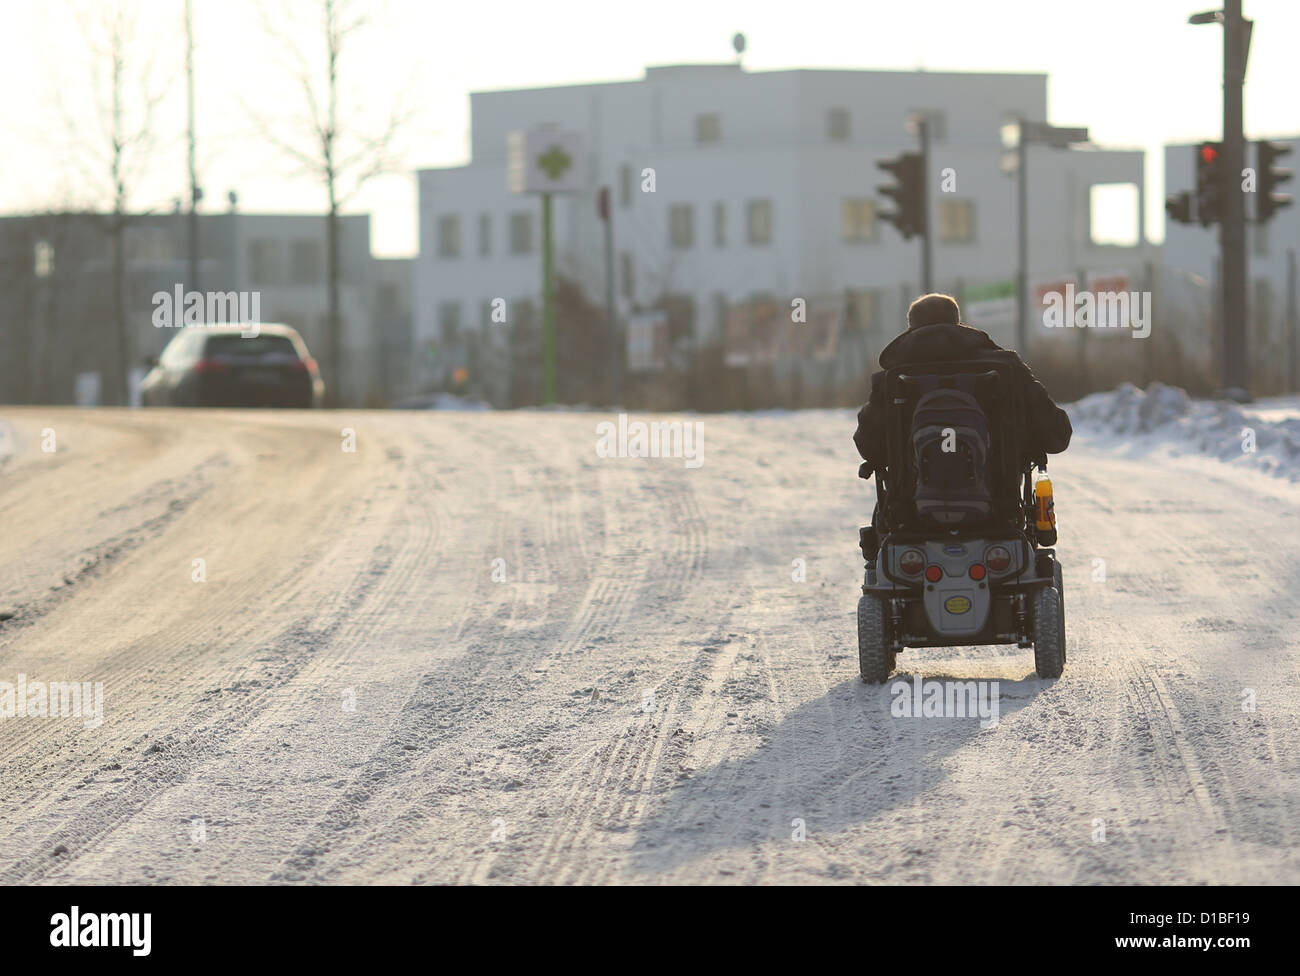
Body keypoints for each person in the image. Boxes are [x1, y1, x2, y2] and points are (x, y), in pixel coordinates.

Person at [854, 293, 1072, 547]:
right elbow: (1057, 436)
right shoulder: (1006, 367)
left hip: (910, 516)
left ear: (911, 328)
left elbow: (869, 446)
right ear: (957, 322)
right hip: (1001, 511)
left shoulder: (891, 379)